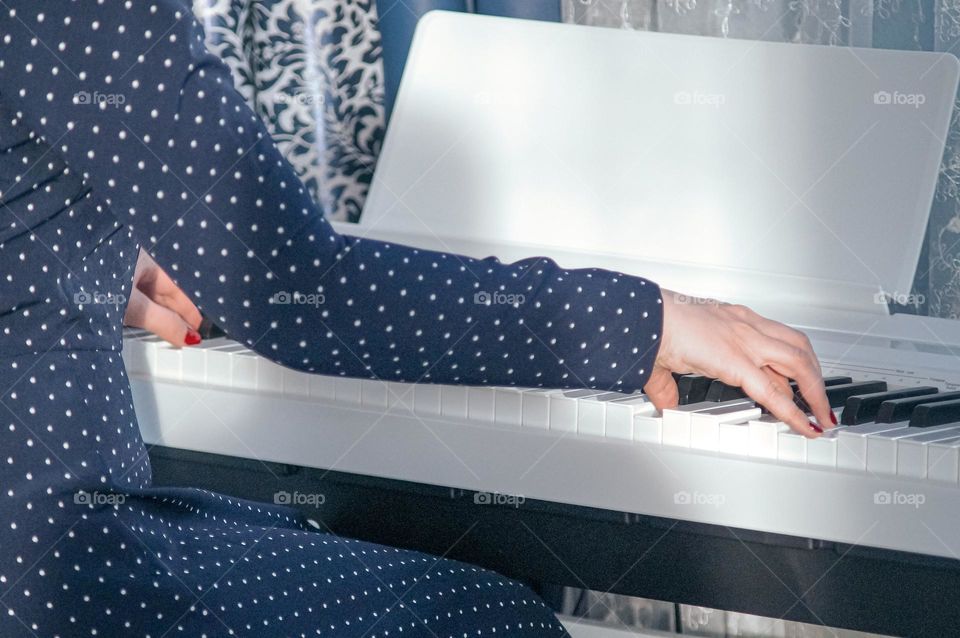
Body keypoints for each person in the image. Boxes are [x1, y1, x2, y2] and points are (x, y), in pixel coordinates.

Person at [0, 1, 832, 636]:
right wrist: (643, 320)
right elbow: (302, 292)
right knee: (496, 619)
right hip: (49, 568)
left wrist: (77, 253)